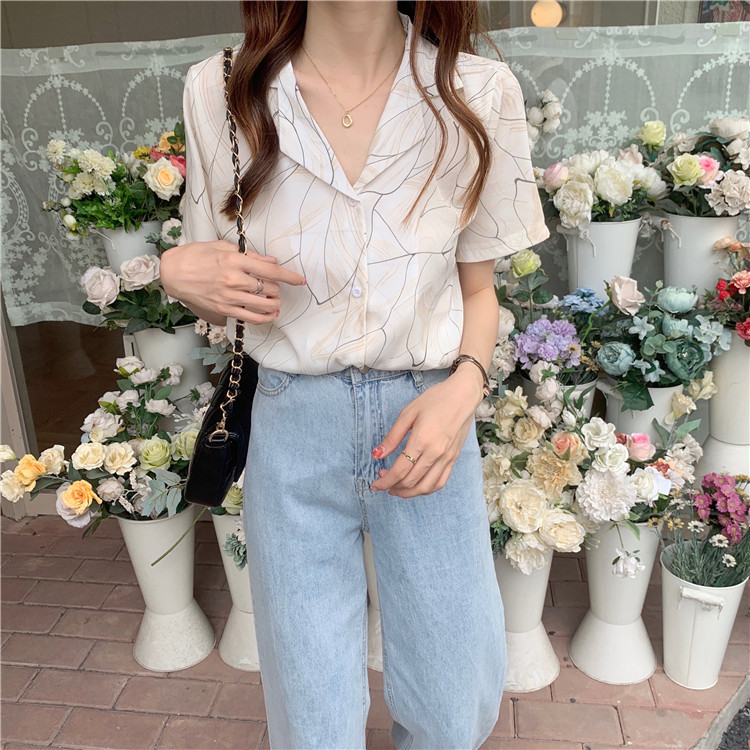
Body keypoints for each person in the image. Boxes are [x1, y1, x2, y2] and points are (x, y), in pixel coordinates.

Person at [161, 1, 549, 748]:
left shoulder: (477, 90)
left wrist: (463, 391)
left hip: (427, 420)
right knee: (310, 711)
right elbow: (212, 268)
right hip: (292, 419)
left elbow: (479, 291)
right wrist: (177, 272)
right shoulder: (222, 89)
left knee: (454, 696)